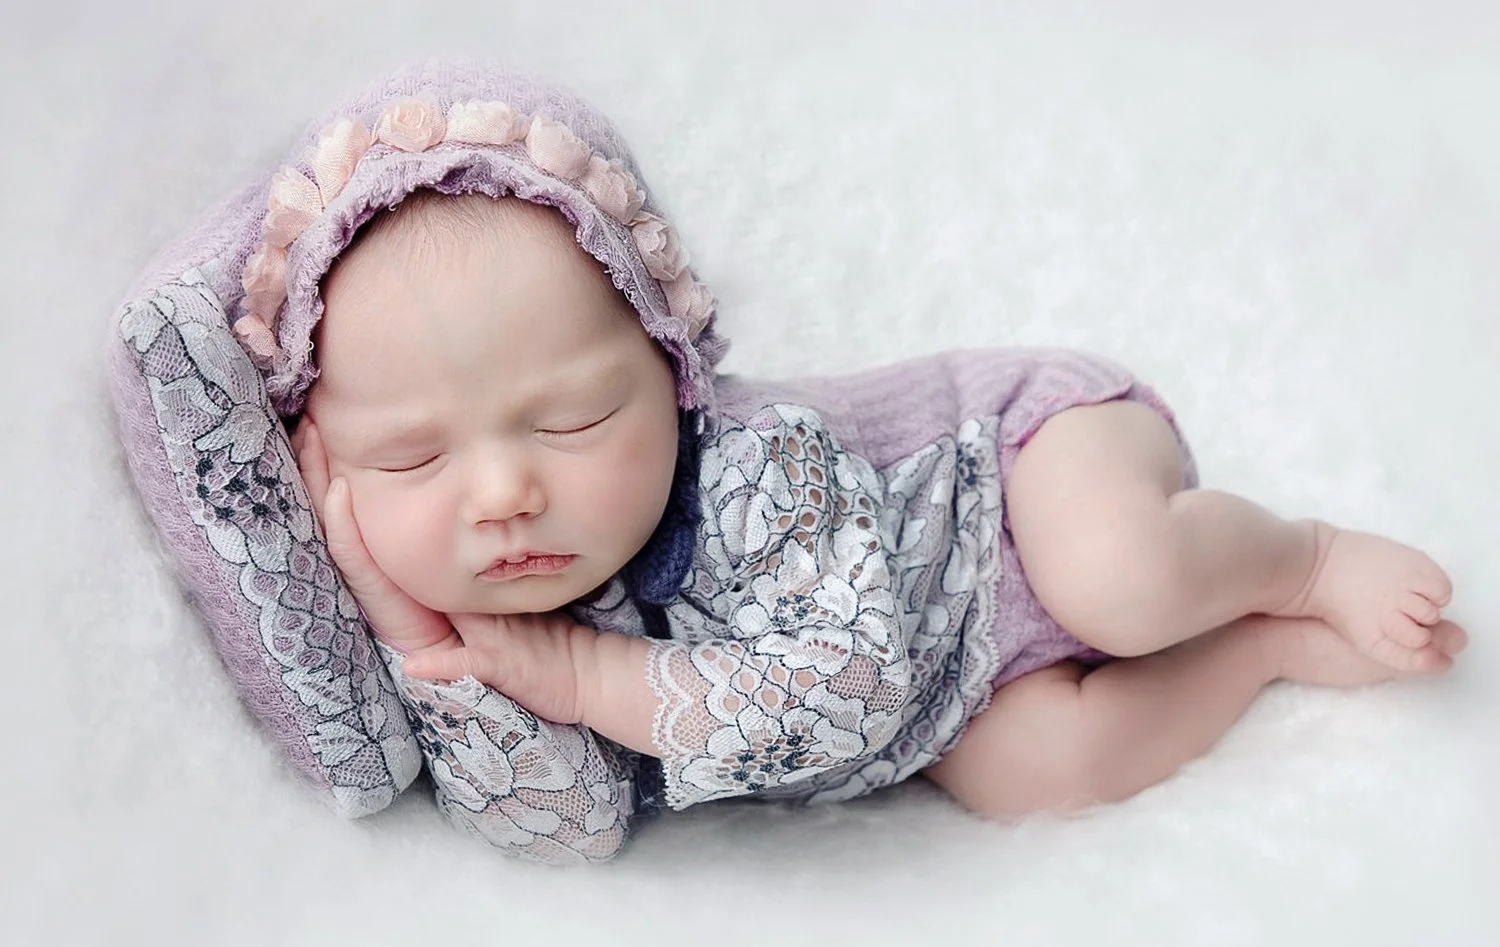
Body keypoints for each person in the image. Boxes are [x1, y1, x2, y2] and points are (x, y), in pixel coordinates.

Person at [234, 64, 1465, 862]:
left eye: (572, 422)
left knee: (1117, 579)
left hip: (1020, 473)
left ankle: (1301, 561)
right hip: (961, 694)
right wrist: (421, 639)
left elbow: (854, 685)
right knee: (1035, 776)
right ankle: (1258, 649)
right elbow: (567, 826)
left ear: (672, 370)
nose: (504, 492)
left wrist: (583, 674)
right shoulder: (481, 627)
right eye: (412, 457)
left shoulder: (755, 464)